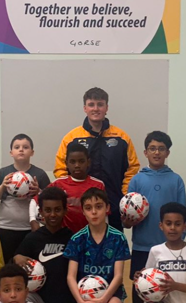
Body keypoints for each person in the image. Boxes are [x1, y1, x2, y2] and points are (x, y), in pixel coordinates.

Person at [122, 131, 186, 303]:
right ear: (145, 152)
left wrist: (179, 241)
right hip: (142, 244)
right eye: (152, 148)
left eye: (161, 148)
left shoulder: (176, 180)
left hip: (167, 246)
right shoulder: (137, 180)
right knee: (139, 282)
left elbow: (183, 211)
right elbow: (127, 214)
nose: (156, 152)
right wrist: (128, 221)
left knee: (165, 285)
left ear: (167, 152)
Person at [54, 87, 139, 230]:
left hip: (113, 205)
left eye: (100, 104)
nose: (96, 108)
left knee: (112, 247)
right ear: (84, 108)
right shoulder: (71, 138)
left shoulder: (122, 138)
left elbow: (132, 169)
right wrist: (72, 196)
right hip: (79, 207)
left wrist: (123, 197)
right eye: (91, 104)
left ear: (107, 108)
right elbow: (60, 170)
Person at [64, 187, 132, 303]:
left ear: (107, 208)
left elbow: (118, 276)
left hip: (110, 293)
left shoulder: (118, 238)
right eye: (88, 207)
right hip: (86, 297)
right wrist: (80, 302)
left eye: (99, 206)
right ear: (83, 211)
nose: (94, 212)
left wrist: (103, 300)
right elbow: (70, 276)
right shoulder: (77, 239)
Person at [14, 186, 76, 303]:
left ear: (65, 210)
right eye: (47, 210)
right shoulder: (34, 237)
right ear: (41, 212)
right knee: (20, 297)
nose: (53, 214)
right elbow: (18, 256)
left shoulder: (72, 238)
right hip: (37, 298)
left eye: (57, 210)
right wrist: (17, 257)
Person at [0, 134, 51, 262]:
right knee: (7, 265)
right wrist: (2, 187)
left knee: (30, 267)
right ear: (11, 152)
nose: (21, 150)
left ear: (32, 152)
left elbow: (51, 201)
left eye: (25, 147)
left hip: (30, 229)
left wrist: (38, 192)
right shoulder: (2, 173)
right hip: (6, 229)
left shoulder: (40, 174)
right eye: (17, 147)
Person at [31, 143, 104, 233]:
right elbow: (35, 200)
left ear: (88, 162)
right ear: (66, 163)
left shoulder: (98, 185)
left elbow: (103, 214)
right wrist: (33, 220)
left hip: (89, 236)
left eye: (81, 161)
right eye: (72, 162)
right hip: (63, 237)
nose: (77, 165)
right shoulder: (58, 183)